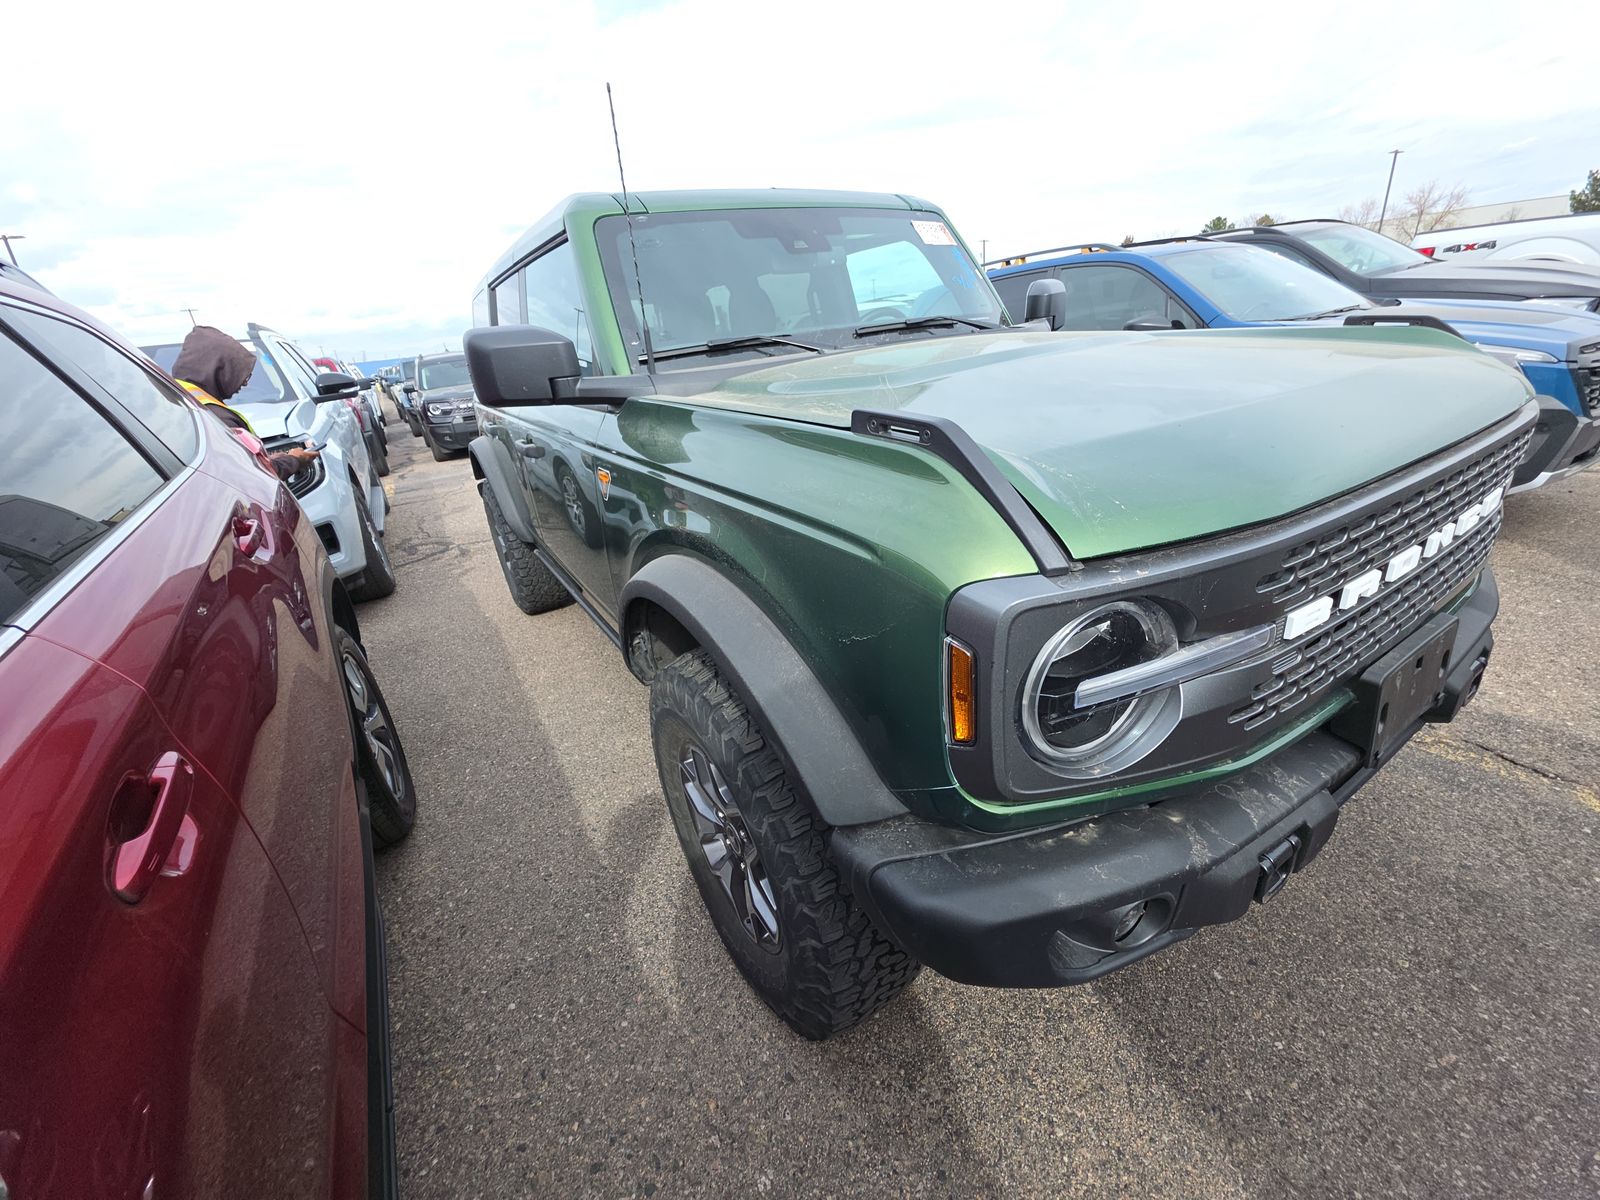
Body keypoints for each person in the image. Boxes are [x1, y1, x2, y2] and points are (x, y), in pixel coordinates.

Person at [169, 325, 319, 480]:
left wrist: (268, 458)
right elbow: (256, 475)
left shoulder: (174, 398)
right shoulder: (216, 418)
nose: (245, 384)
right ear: (219, 370)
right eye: (240, 375)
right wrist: (295, 460)